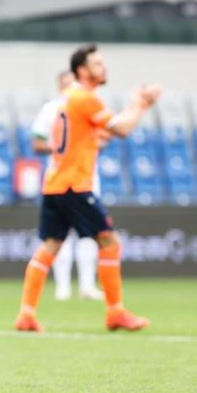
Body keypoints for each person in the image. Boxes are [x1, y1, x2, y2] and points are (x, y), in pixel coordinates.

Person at [15, 43, 161, 333]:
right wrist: (142, 104)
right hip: (75, 184)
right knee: (109, 241)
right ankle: (115, 312)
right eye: (97, 64)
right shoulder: (85, 98)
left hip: (55, 183)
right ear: (82, 70)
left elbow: (102, 132)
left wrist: (130, 108)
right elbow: (122, 129)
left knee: (50, 245)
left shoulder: (68, 99)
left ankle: (26, 314)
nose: (103, 68)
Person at [31, 70, 104, 302]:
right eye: (64, 84)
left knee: (88, 235)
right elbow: (37, 143)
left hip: (85, 177)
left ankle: (87, 285)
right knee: (60, 238)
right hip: (62, 178)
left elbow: (102, 137)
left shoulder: (86, 106)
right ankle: (62, 286)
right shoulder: (51, 109)